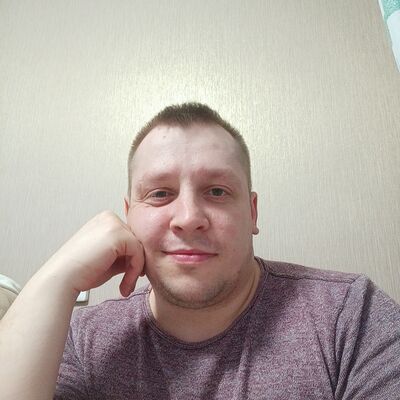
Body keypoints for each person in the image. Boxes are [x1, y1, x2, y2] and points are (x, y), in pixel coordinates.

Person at [0, 103, 399, 400]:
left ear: (252, 212)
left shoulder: (350, 316)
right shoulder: (82, 340)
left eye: (217, 191)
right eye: (160, 194)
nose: (189, 218)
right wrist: (56, 278)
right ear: (128, 215)